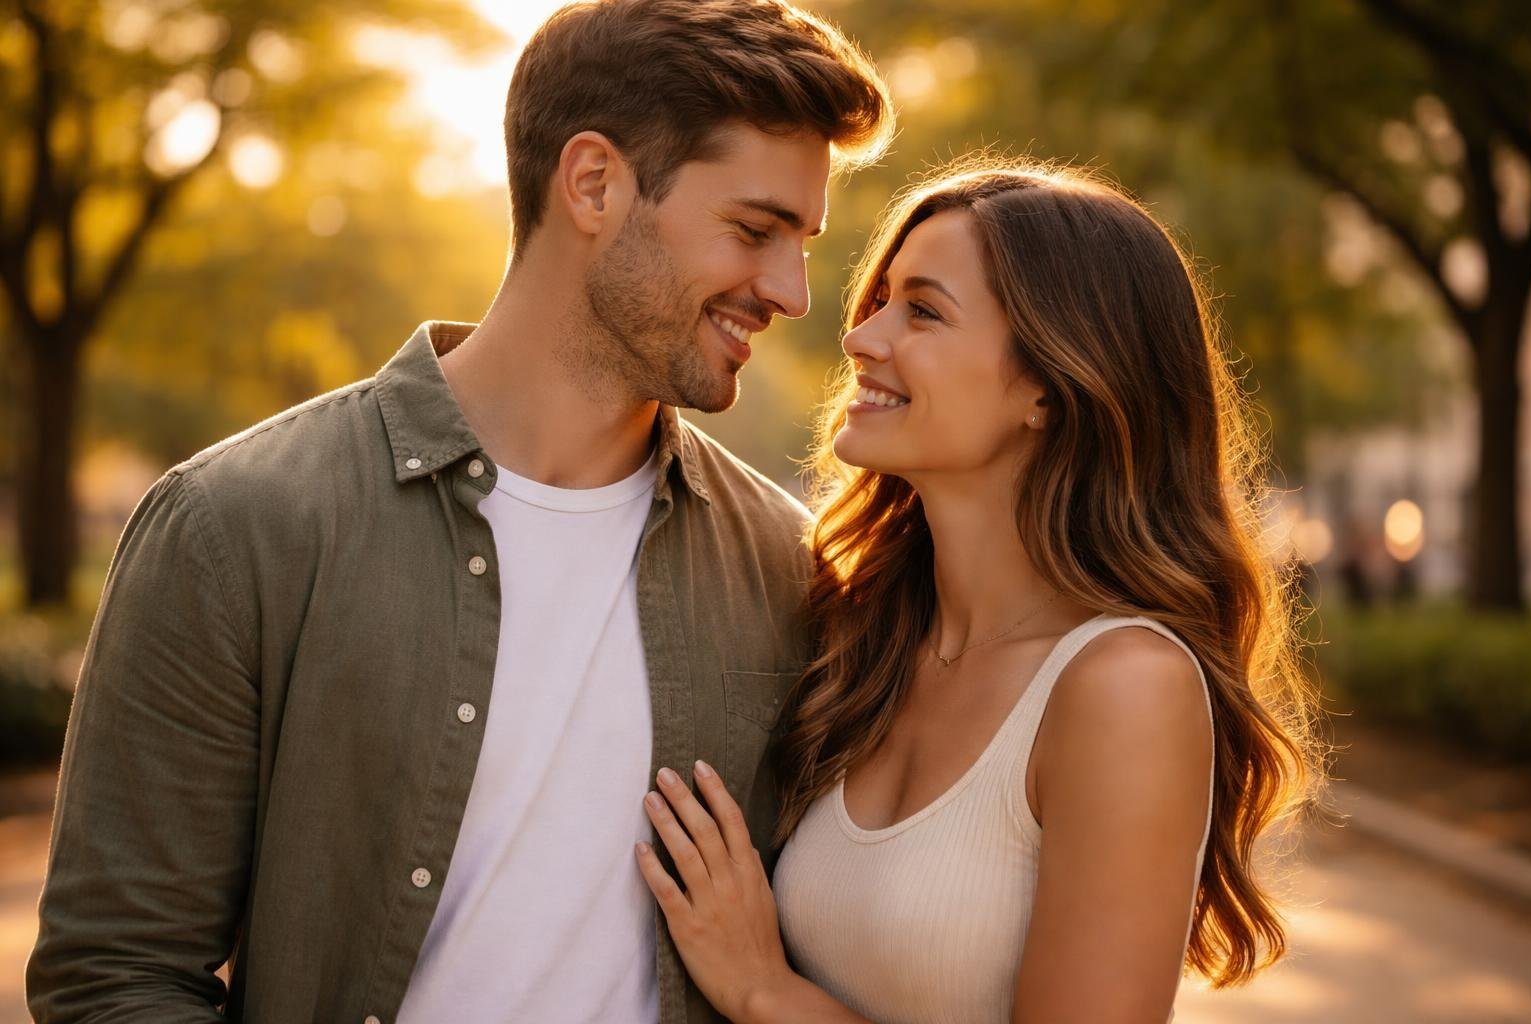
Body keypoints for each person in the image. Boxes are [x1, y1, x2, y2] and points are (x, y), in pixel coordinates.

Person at [26, 2, 892, 1022]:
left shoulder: (789, 566)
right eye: (755, 230)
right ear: (594, 183)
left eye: (803, 240)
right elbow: (115, 975)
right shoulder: (237, 527)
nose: (794, 291)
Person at [635, 162, 1327, 1022]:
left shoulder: (1122, 686)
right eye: (881, 298)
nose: (861, 336)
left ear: (1050, 382)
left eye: (923, 310)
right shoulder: (862, 635)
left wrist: (762, 987)